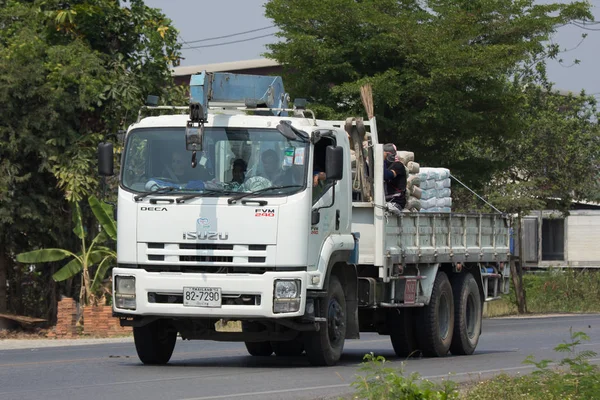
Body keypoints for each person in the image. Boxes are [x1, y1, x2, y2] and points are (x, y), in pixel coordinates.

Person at [383, 143, 407, 214]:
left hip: (396, 202)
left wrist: (382, 160)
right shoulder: (385, 167)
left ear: (388, 154)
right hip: (385, 201)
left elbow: (386, 175)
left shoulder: (398, 165)